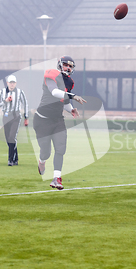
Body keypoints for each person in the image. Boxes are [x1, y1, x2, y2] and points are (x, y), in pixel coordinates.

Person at [33, 55, 86, 190]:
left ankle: (57, 178)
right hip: (42, 120)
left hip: (57, 120)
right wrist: (73, 96)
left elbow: (64, 101)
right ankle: (42, 161)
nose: (68, 67)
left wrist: (71, 109)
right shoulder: (52, 74)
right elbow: (55, 92)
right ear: (60, 64)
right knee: (46, 151)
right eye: (66, 64)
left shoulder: (69, 82)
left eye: (70, 66)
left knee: (60, 148)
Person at [0, 75, 29, 166]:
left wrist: (26, 117)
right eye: (10, 82)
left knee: (12, 137)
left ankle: (10, 159)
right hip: (6, 116)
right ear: (7, 83)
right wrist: (5, 101)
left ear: (16, 83)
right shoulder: (2, 92)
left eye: (13, 82)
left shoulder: (19, 92)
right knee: (8, 138)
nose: (12, 84)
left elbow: (25, 103)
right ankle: (15, 158)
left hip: (16, 116)